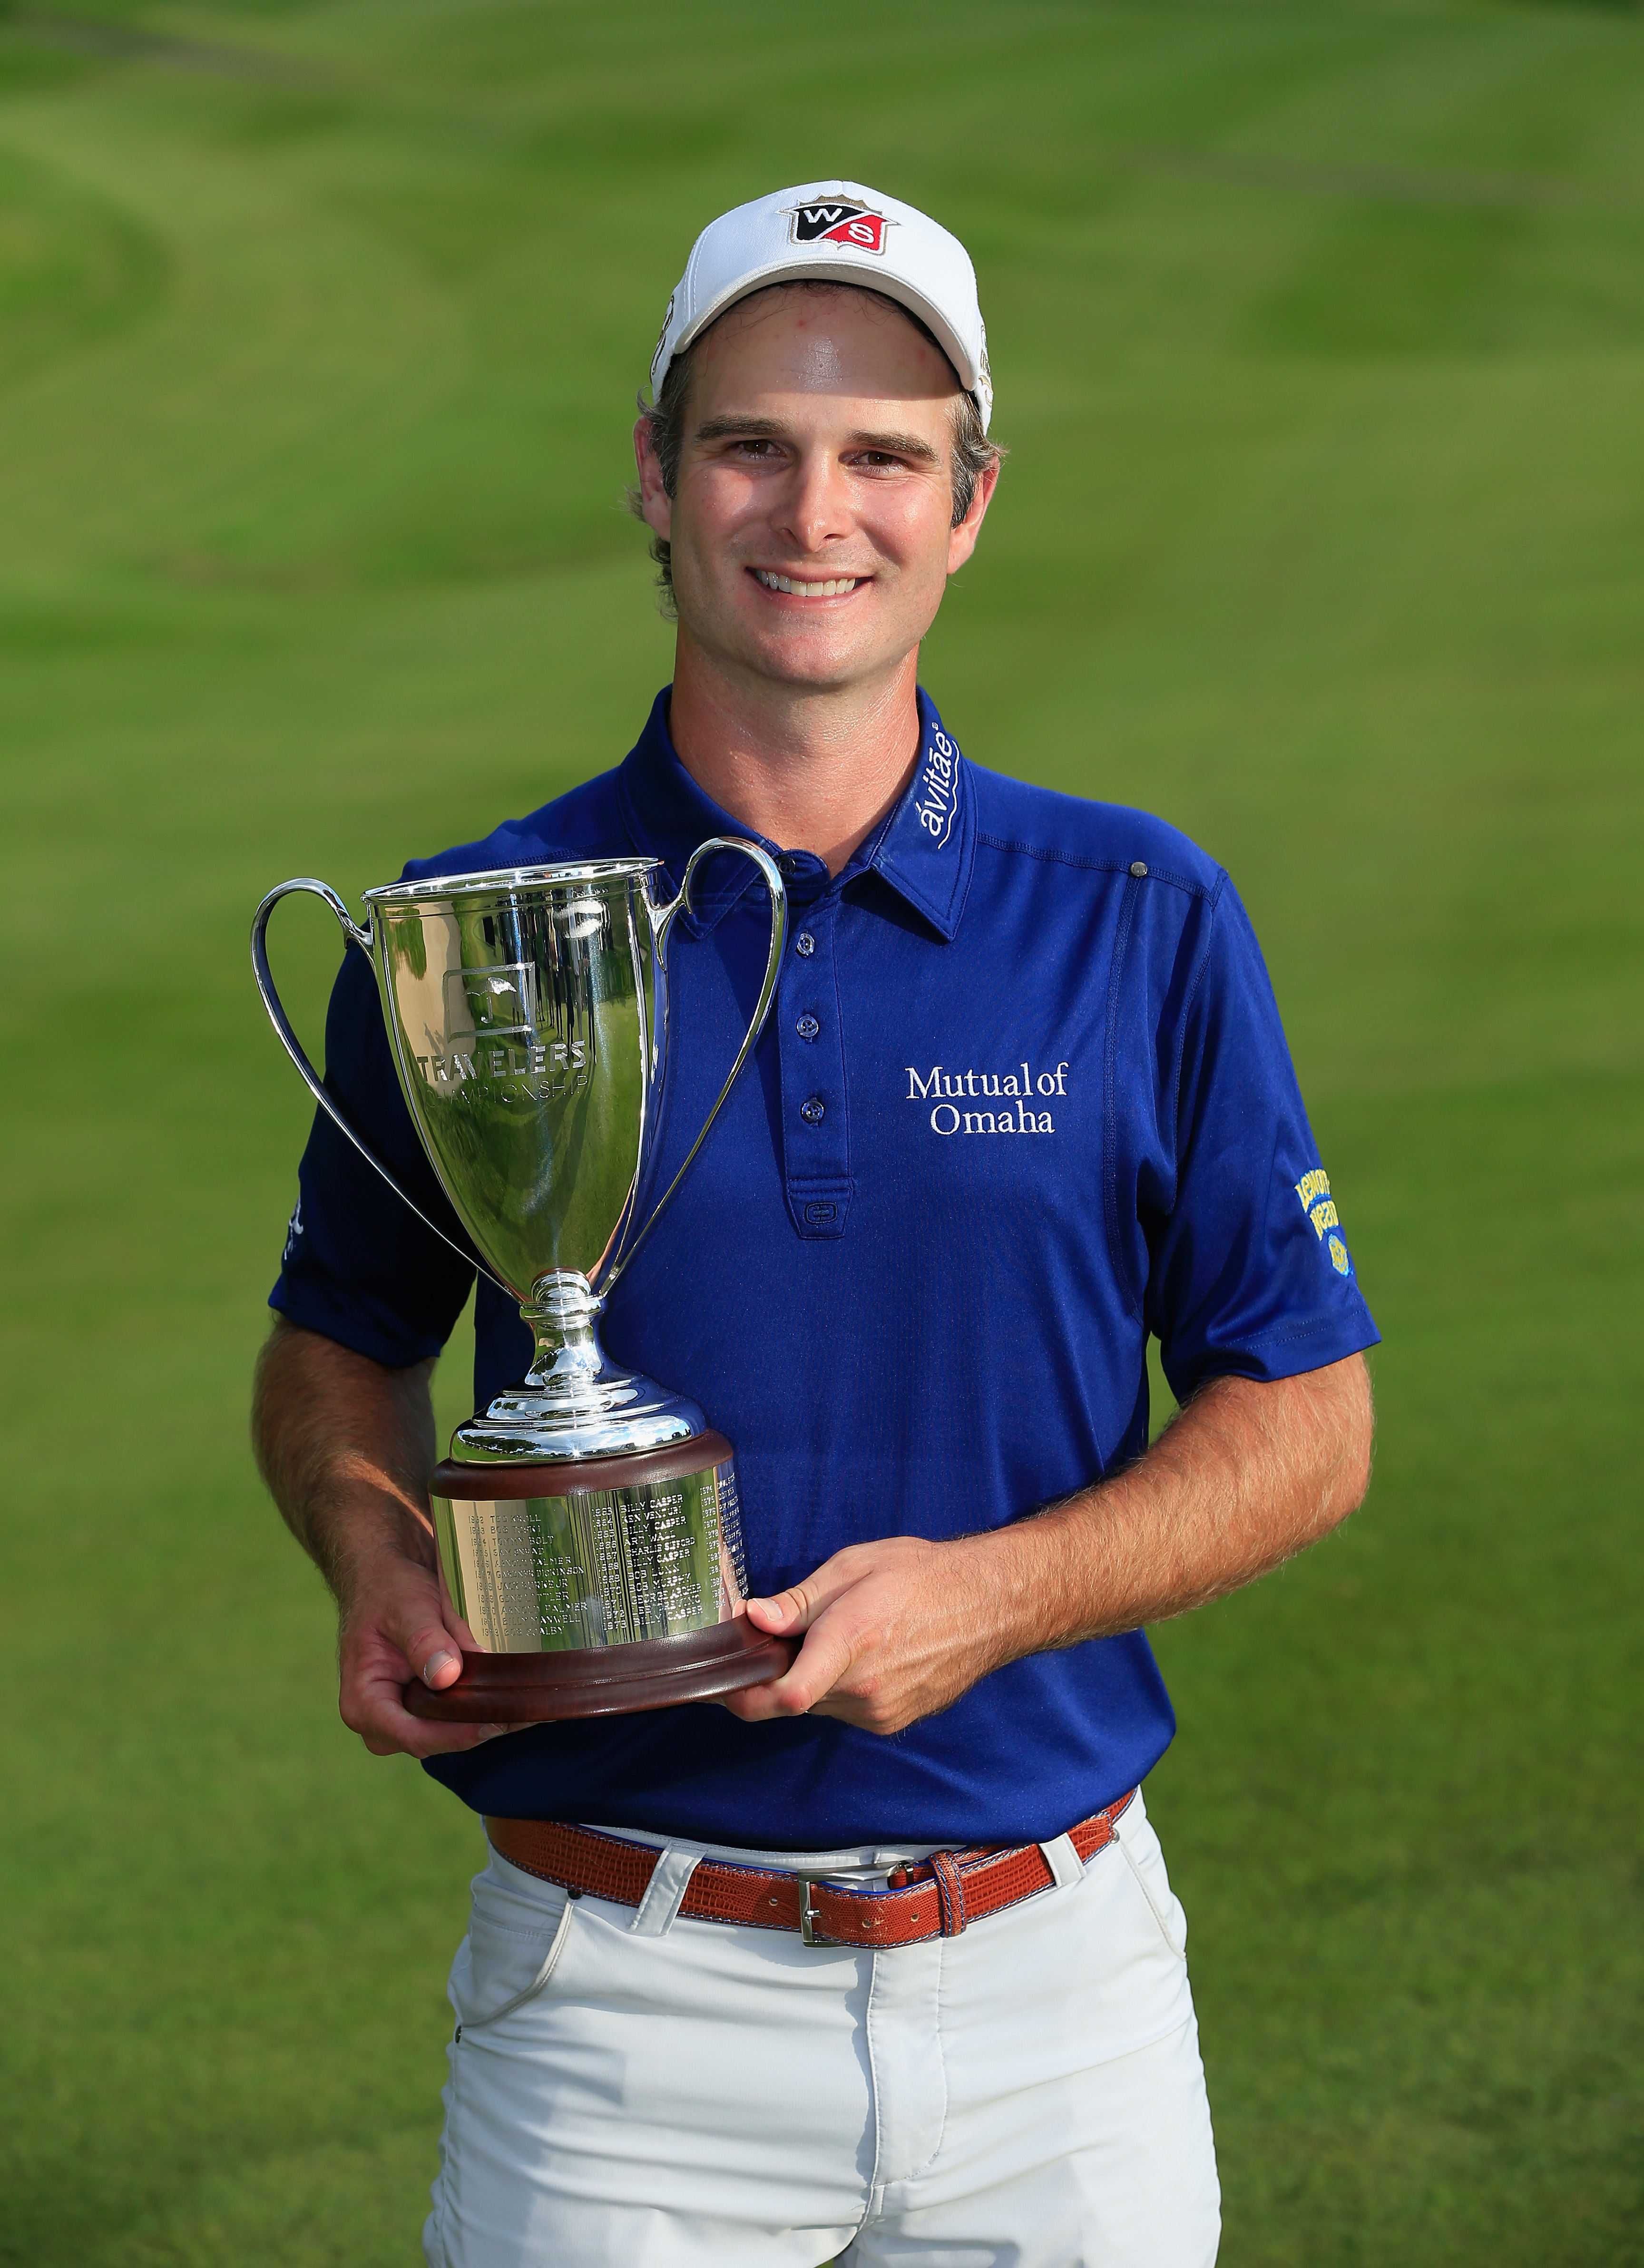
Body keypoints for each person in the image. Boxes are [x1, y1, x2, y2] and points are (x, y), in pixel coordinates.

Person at [253, 181, 1377, 2268]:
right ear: (657, 486)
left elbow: (1308, 1417)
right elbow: (340, 1339)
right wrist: (373, 1540)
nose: (817, 507)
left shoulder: (1139, 917)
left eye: (886, 455)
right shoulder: (479, 939)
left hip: (1061, 2001)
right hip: (618, 2005)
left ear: (970, 503)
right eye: (755, 442)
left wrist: (1001, 1595)